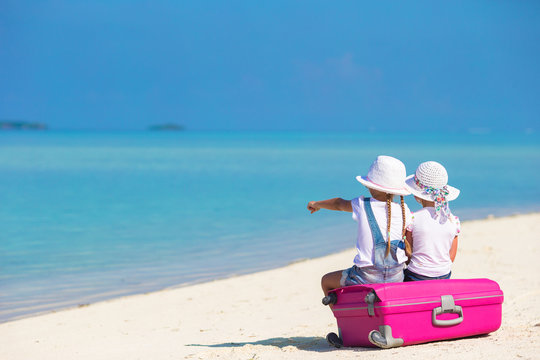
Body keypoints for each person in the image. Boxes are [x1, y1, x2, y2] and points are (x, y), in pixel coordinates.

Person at [307, 155, 412, 299]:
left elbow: (338, 203)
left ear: (369, 185)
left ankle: (344, 319)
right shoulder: (404, 209)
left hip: (365, 277)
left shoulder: (362, 205)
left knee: (326, 281)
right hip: (396, 276)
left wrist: (316, 204)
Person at [403, 161, 461, 281]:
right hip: (444, 274)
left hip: (416, 275)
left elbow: (408, 252)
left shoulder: (412, 219)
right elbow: (451, 256)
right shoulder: (453, 220)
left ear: (416, 195)